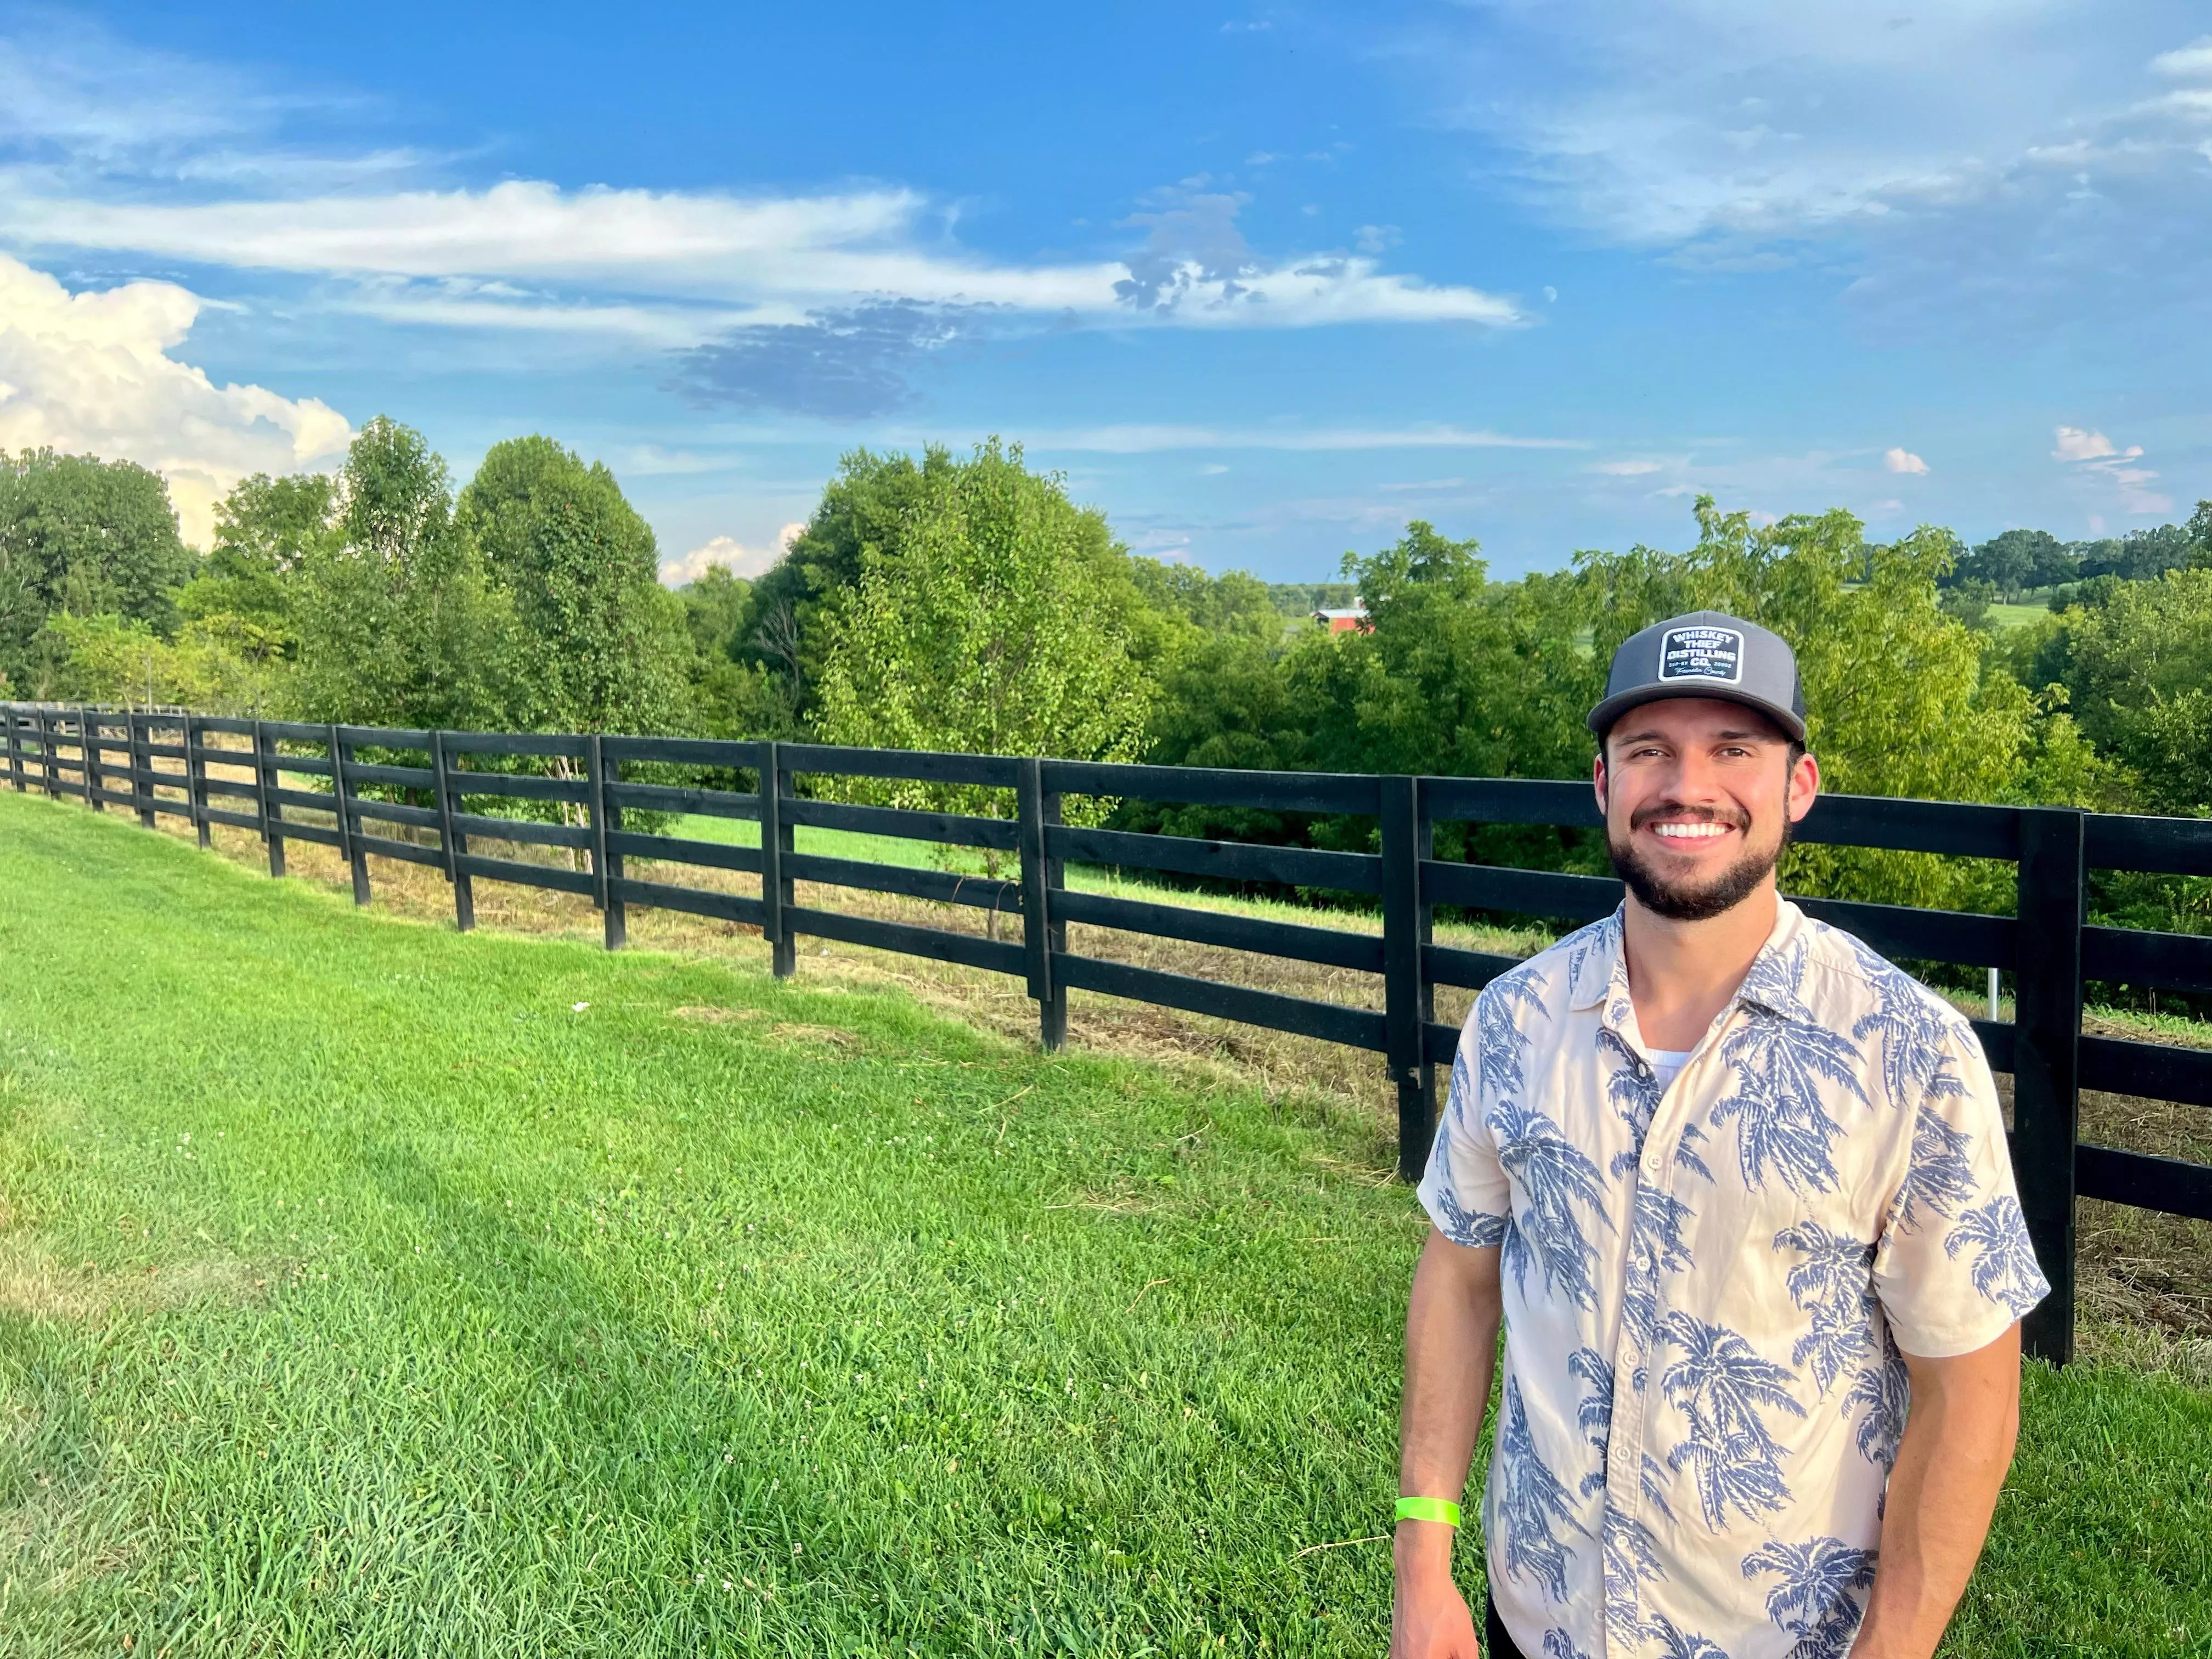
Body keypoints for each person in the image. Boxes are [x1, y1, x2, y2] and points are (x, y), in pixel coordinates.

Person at [1391, 611, 2048, 1659]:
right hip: (1540, 1618)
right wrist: (1423, 1564)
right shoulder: (1514, 1023)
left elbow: (1971, 1393)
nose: (1686, 786)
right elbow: (1461, 1277)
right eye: (1649, 750)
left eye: (1732, 750)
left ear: (1799, 786)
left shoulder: (1910, 1053)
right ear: (1605, 787)